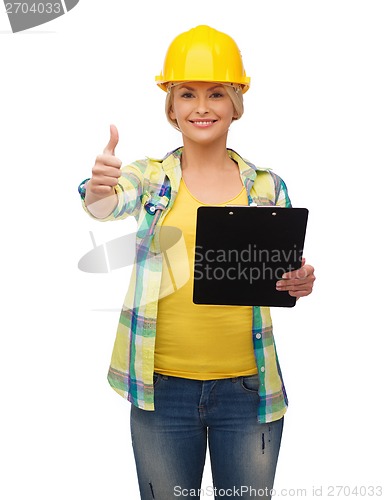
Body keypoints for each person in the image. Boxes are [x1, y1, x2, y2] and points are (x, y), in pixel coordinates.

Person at [78, 25, 315, 500]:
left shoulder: (266, 187)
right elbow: (105, 205)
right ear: (171, 106)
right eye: (187, 94)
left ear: (235, 104)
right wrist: (99, 188)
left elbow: (285, 268)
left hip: (247, 391)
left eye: (216, 94)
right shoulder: (149, 177)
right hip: (162, 389)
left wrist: (299, 280)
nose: (201, 107)